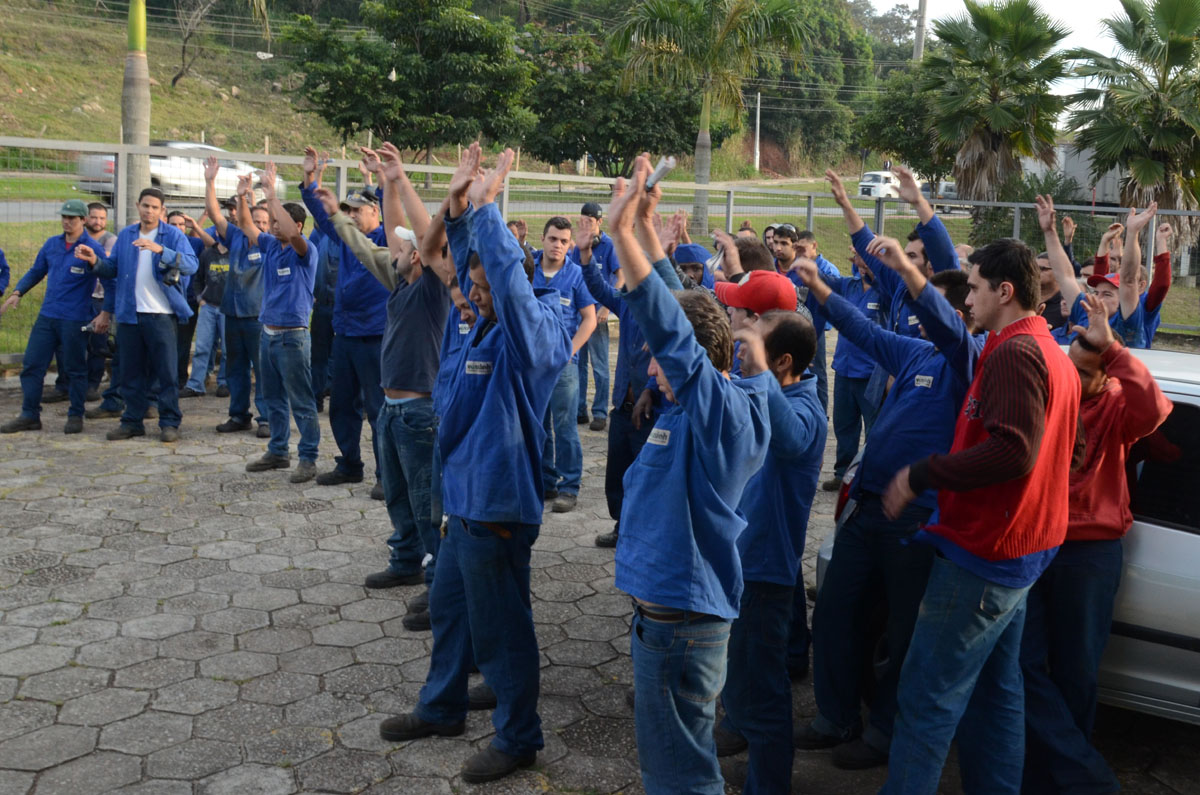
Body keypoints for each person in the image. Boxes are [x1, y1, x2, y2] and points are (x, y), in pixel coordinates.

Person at [380, 145, 571, 785]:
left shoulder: (534, 331)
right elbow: (454, 261)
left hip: (496, 507)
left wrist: (487, 210)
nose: (474, 295)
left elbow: (507, 287)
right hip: (461, 504)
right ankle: (442, 707)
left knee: (502, 632)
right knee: (451, 613)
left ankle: (519, 737)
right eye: (473, 287)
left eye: (486, 286)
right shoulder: (477, 324)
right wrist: (458, 204)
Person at [879, 235, 1083, 794]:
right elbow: (1074, 448)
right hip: (1020, 551)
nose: (965, 299)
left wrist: (923, 473)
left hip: (986, 555)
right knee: (997, 694)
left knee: (925, 698)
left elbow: (1015, 451)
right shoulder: (1043, 349)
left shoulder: (1017, 352)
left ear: (1005, 291)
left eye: (972, 287)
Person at [613, 154, 772, 795]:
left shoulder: (722, 415)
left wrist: (624, 232)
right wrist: (650, 230)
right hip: (670, 622)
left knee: (680, 777)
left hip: (680, 630)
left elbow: (673, 333)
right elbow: (683, 322)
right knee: (680, 764)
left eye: (660, 361)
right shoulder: (709, 403)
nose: (652, 368)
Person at [790, 241, 978, 770]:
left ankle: (885, 734)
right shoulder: (916, 351)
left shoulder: (970, 361)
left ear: (956, 317)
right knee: (834, 611)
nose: (918, 319)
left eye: (929, 311)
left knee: (902, 631)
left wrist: (905, 272)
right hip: (865, 509)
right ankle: (835, 718)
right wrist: (820, 289)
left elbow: (941, 320)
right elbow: (865, 332)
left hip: (917, 521)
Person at [1021, 240, 1172, 794]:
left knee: (1079, 672)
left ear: (1103, 373)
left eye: (1085, 369)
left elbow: (1155, 411)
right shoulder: (1050, 398)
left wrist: (1114, 352)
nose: (1073, 378)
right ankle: (1081, 775)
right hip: (1036, 544)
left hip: (1090, 553)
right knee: (1020, 662)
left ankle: (1059, 777)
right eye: (1070, 368)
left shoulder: (1115, 405)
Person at [316, 143, 451, 612]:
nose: (391, 249)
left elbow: (420, 233)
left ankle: (438, 580)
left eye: (401, 248)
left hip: (419, 411)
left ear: (419, 257)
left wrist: (400, 179)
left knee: (425, 497)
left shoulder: (433, 289)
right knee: (396, 491)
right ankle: (406, 558)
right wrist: (386, 180)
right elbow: (385, 237)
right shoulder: (400, 281)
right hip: (393, 411)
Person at [712, 309, 826, 795]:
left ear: (781, 361)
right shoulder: (762, 389)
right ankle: (755, 754)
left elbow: (791, 438)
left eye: (754, 347)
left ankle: (769, 782)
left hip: (765, 573)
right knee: (742, 676)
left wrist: (755, 372)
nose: (742, 352)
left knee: (765, 691)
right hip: (740, 564)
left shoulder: (805, 412)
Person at [301, 149, 392, 499]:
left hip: (376, 336)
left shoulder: (386, 239)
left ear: (375, 212)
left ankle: (387, 473)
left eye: (358, 210)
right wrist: (310, 179)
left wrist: (381, 178)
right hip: (345, 334)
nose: (351, 215)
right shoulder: (344, 237)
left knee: (378, 408)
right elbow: (322, 216)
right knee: (341, 405)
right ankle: (350, 464)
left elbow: (393, 205)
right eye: (348, 210)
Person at [73, 188, 198, 443]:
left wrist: (161, 250)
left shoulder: (172, 235)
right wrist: (95, 260)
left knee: (166, 373)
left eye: (154, 207)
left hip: (161, 316)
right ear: (137, 205)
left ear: (161, 210)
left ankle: (169, 422)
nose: (149, 211)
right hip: (130, 315)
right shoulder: (127, 235)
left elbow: (191, 264)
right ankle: (132, 422)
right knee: (130, 372)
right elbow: (112, 269)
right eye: (145, 206)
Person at [225, 164, 320, 483]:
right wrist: (242, 199)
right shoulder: (269, 246)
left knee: (301, 400)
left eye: (278, 220)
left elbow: (293, 235)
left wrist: (270, 194)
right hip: (268, 335)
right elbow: (248, 227)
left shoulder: (305, 251)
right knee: (274, 397)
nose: (272, 225)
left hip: (293, 337)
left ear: (297, 225)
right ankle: (278, 451)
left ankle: (308, 457)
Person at [0, 199, 109, 435]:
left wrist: (105, 312)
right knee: (32, 364)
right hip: (48, 316)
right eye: (64, 217)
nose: (67, 221)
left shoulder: (91, 247)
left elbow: (109, 278)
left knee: (75, 368)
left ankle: (75, 414)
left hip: (75, 318)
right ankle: (29, 414)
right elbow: (37, 271)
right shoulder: (52, 244)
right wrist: (18, 292)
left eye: (72, 218)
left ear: (83, 220)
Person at [535, 217, 597, 513]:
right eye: (552, 239)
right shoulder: (527, 269)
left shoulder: (576, 275)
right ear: (543, 239)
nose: (557, 245)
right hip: (532, 366)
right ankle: (545, 481)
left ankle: (569, 486)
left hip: (563, 366)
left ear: (570, 244)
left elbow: (590, 318)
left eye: (563, 241)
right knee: (537, 425)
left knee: (565, 426)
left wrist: (570, 350)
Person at [204, 157, 269, 438]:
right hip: (232, 313)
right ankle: (239, 415)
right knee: (236, 368)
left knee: (264, 370)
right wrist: (210, 182)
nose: (260, 226)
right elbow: (215, 214)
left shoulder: (273, 245)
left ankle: (266, 418)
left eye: (265, 222)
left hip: (259, 317)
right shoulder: (237, 237)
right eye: (256, 222)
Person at [572, 201, 618, 431]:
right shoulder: (577, 246)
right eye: (583, 221)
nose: (587, 225)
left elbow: (620, 276)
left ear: (600, 222)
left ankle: (599, 412)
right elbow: (571, 273)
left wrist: (607, 307)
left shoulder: (609, 246)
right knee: (578, 364)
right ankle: (579, 409)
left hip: (598, 314)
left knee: (599, 365)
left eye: (590, 221)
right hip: (580, 312)